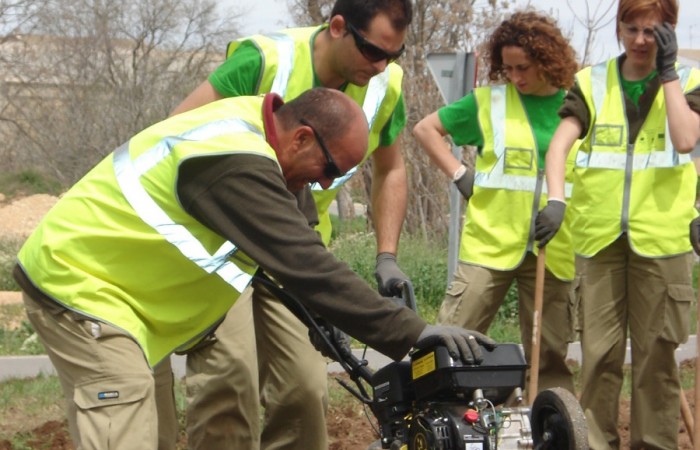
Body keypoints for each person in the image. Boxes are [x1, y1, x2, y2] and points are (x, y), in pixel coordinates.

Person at [14, 87, 495, 450]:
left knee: (147, 429)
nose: (327, 183)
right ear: (303, 137)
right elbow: (305, 263)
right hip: (79, 283)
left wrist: (324, 317)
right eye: (330, 170)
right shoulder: (232, 161)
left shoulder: (265, 133)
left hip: (125, 298)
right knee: (126, 410)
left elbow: (303, 240)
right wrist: (413, 332)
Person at [170, 0, 413, 448]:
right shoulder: (265, 60)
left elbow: (392, 169)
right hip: (223, 246)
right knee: (229, 380)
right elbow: (177, 133)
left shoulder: (386, 87)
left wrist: (387, 255)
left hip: (298, 254)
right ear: (338, 27)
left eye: (393, 55)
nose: (381, 66)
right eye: (373, 51)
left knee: (304, 389)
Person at [538, 0, 700, 447]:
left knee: (657, 362)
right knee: (598, 359)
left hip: (663, 242)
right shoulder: (592, 81)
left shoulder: (689, 80)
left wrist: (667, 71)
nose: (641, 41)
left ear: (670, 29)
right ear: (619, 28)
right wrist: (555, 199)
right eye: (631, 29)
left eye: (652, 31)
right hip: (599, 241)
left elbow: (686, 139)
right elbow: (559, 147)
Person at [413, 10, 578, 395]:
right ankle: (431, 413)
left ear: (547, 60)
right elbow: (426, 130)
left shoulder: (577, 106)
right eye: (509, 69)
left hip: (553, 246)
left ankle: (547, 425)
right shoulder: (489, 103)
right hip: (488, 245)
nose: (516, 77)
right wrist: (460, 174)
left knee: (549, 355)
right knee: (451, 341)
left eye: (524, 67)